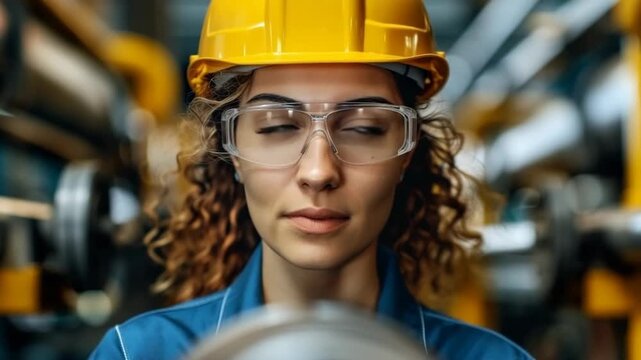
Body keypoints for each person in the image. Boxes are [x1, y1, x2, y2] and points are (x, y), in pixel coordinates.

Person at [91, 0, 533, 359]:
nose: (318, 172)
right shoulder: (138, 353)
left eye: (363, 128)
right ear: (232, 152)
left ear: (407, 152)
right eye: (276, 127)